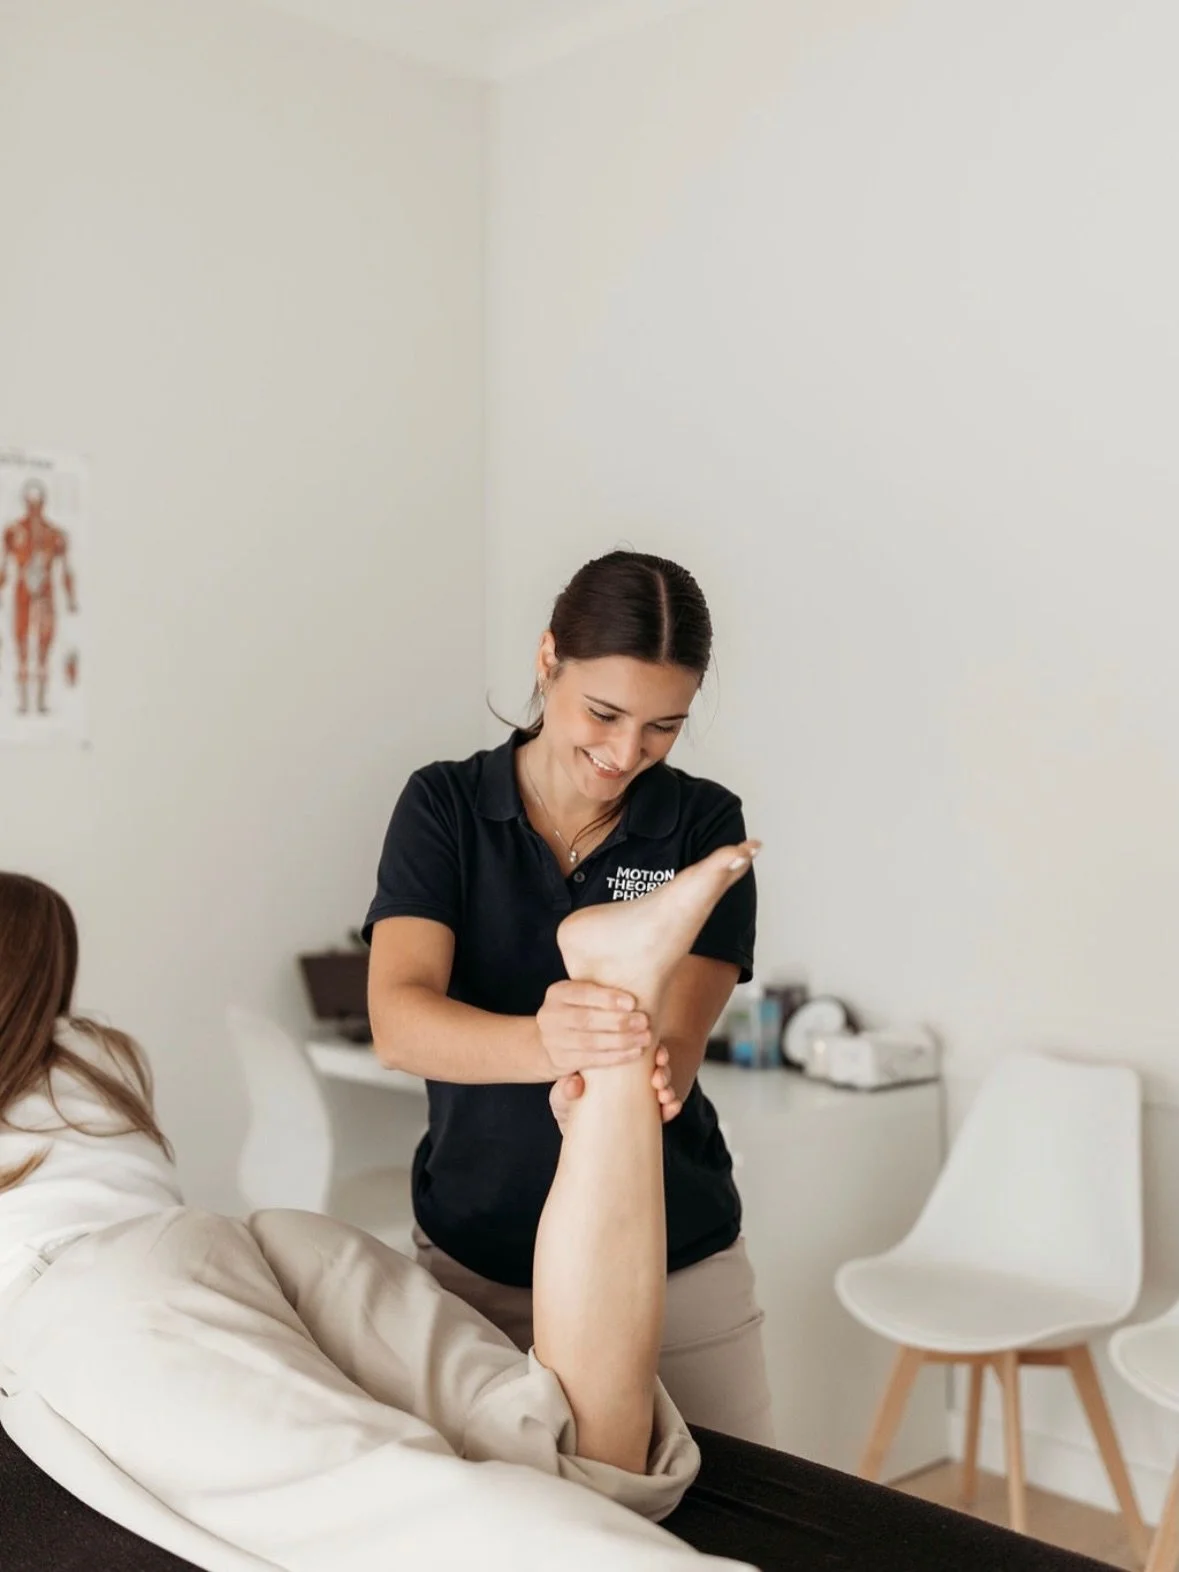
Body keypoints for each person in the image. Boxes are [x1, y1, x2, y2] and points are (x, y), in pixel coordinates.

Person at [0, 854, 761, 1572]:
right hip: (241, 1244)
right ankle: (615, 982)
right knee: (584, 1455)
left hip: (98, 1301)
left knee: (392, 1506)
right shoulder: (93, 1055)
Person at [366, 550, 774, 1444]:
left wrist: (625, 1068)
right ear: (548, 658)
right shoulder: (445, 807)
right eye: (603, 712)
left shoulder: (702, 825)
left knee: (730, 1519)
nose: (625, 753)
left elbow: (675, 1040)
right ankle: (612, 964)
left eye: (664, 727)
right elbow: (398, 1023)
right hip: (474, 1266)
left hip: (673, 1262)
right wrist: (555, 1042)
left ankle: (615, 963)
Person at [0, 480, 77, 716]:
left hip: (45, 592)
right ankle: (23, 702)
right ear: (25, 502)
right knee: (21, 642)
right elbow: (3, 567)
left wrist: (71, 598)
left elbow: (66, 569)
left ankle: (41, 702)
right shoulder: (13, 531)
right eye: (30, 503)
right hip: (23, 589)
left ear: (43, 503)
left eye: (38, 503)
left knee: (44, 645)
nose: (34, 508)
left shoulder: (56, 534)